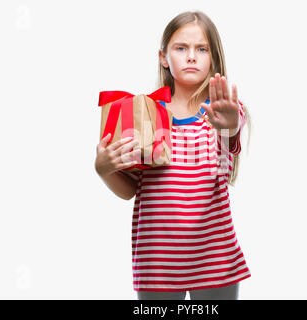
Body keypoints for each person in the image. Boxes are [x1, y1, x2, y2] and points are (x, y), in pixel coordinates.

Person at [95, 10, 252, 300]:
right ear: (164, 57)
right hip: (158, 266)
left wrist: (229, 124)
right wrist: (105, 170)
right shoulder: (144, 114)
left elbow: (232, 128)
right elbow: (131, 190)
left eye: (201, 49)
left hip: (216, 262)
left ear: (213, 58)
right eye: (181, 48)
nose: (191, 56)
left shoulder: (223, 111)